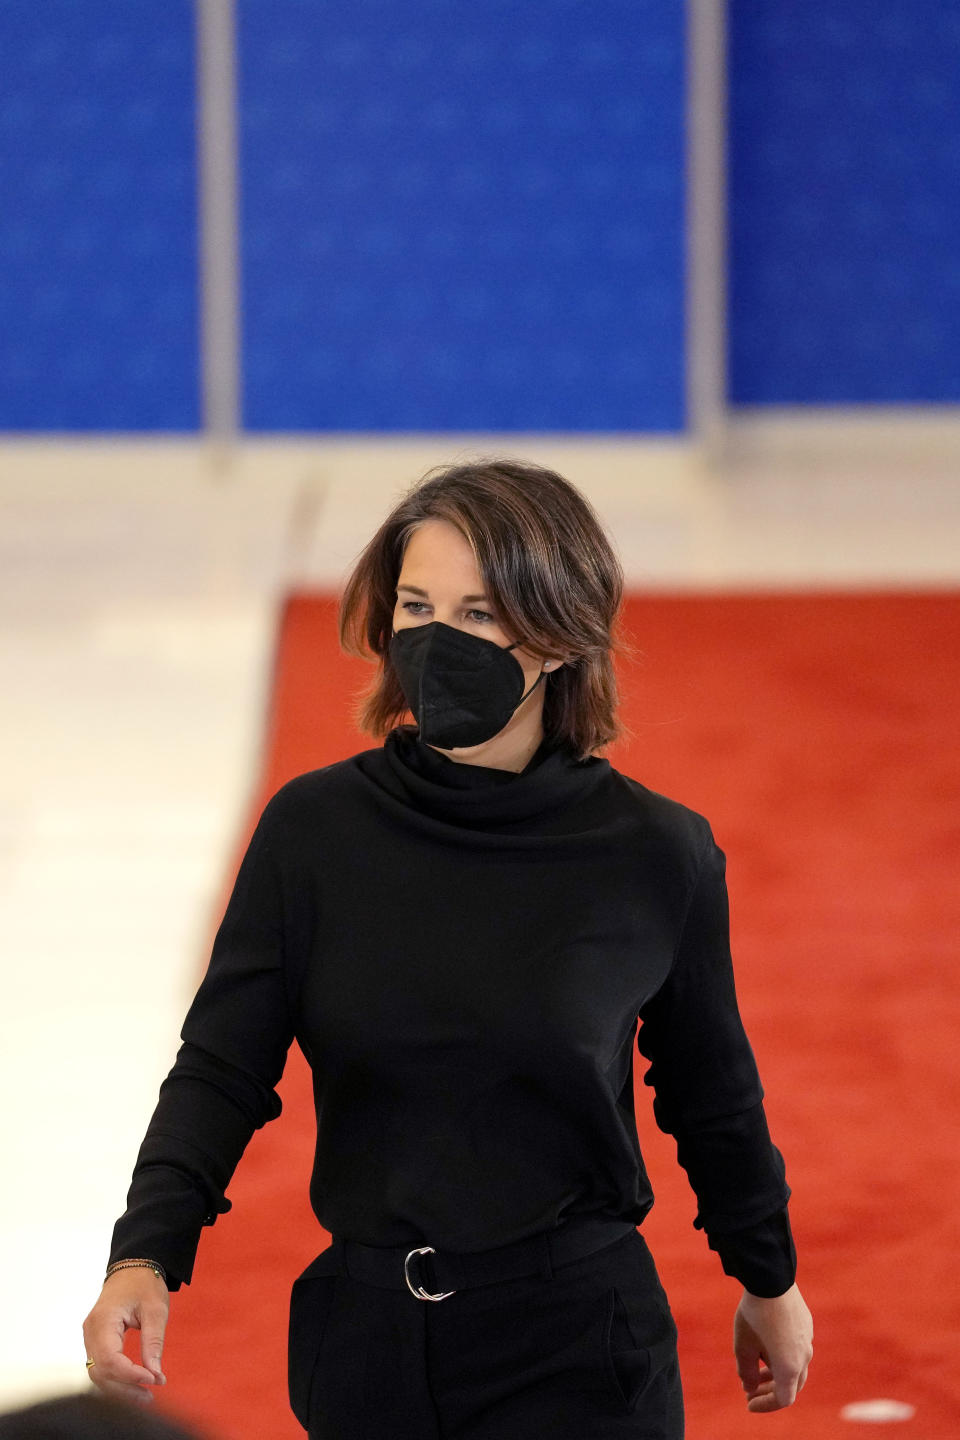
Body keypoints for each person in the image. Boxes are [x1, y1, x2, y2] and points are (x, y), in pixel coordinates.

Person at [83, 458, 813, 1438]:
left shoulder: (654, 853)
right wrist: (145, 1254)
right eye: (416, 607)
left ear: (558, 636)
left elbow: (711, 1090)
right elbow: (221, 1066)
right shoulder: (315, 834)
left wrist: (767, 1275)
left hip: (577, 1351)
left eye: (476, 616)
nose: (433, 642)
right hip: (365, 1348)